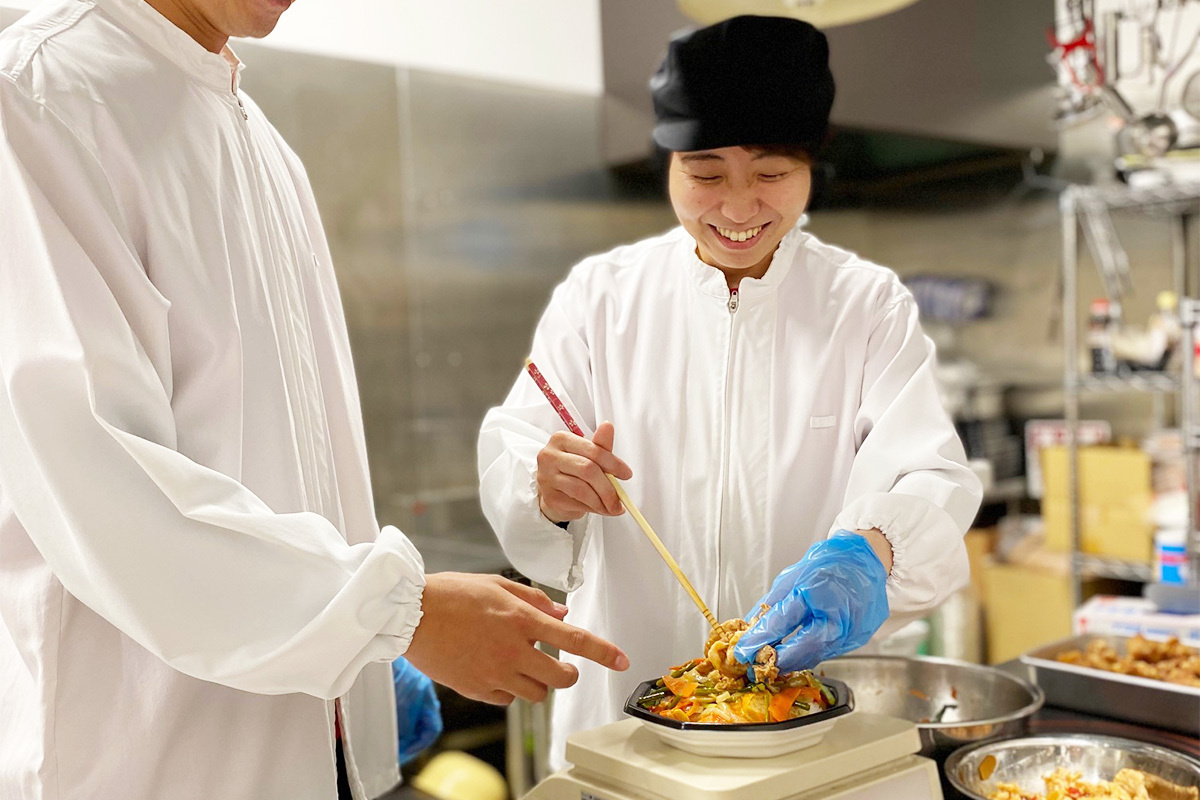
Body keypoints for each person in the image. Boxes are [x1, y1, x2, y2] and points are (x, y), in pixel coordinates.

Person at [0, 0, 629, 798]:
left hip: (302, 755)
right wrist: (397, 614)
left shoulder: (259, 142)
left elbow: (288, 466)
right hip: (148, 766)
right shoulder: (39, 96)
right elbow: (102, 494)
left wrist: (360, 658)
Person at [478, 15, 982, 768]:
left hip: (800, 722)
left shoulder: (864, 305)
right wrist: (545, 489)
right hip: (626, 723)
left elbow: (928, 474)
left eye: (771, 174)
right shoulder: (600, 300)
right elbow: (520, 456)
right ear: (670, 166)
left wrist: (870, 552)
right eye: (706, 175)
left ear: (810, 169)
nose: (739, 209)